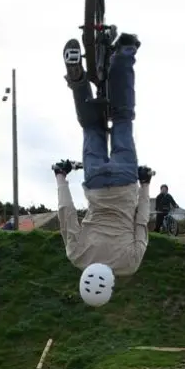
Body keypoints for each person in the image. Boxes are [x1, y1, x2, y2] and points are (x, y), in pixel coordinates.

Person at [53, 32, 155, 277]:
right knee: (91, 127)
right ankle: (78, 80)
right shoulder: (77, 257)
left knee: (122, 117)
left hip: (126, 180)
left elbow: (141, 220)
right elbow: (66, 214)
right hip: (96, 183)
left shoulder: (130, 264)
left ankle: (126, 50)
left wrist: (145, 185)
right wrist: (60, 177)